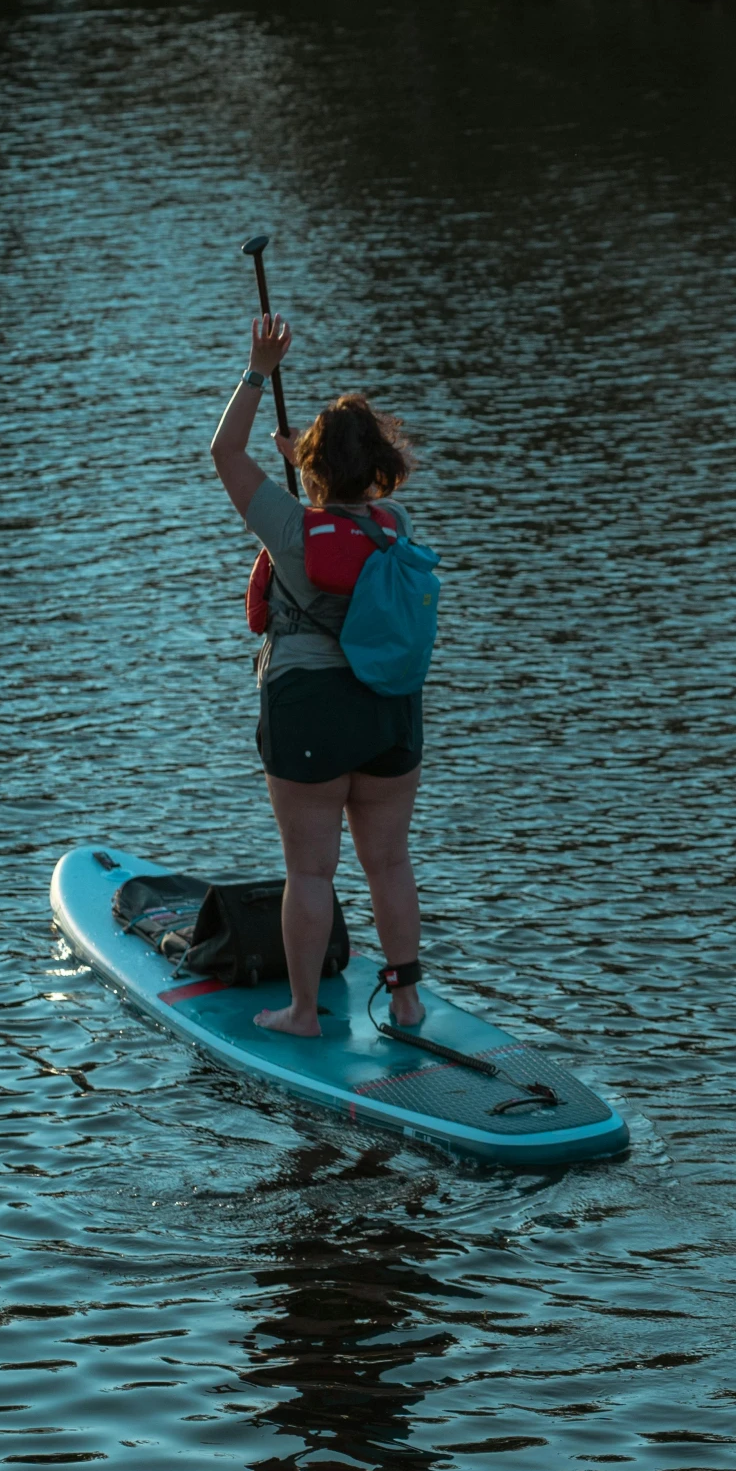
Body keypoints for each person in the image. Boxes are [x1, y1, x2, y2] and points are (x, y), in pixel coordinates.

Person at [207, 313, 426, 1038]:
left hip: (310, 713)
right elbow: (350, 517)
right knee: (389, 862)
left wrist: (258, 370)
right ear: (381, 468)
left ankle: (303, 1013)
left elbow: (225, 451)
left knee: (311, 872)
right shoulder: (396, 524)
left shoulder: (292, 531)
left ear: (312, 469)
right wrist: (307, 470)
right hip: (390, 711)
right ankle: (405, 1001)